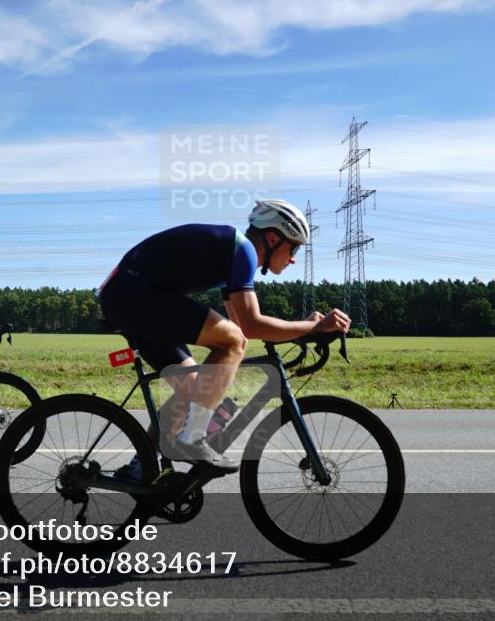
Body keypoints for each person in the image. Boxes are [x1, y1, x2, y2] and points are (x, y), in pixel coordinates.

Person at [97, 199, 351, 477]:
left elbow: (246, 322)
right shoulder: (241, 250)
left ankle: (140, 468)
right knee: (233, 341)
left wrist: (305, 328)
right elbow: (250, 328)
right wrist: (311, 327)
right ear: (273, 238)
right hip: (131, 295)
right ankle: (192, 439)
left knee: (194, 389)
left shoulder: (234, 255)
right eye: (294, 248)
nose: (293, 259)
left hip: (129, 296)